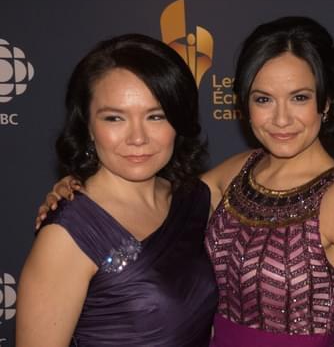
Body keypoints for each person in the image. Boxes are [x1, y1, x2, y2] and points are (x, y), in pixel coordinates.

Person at [36, 17, 334, 347]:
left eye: (300, 97)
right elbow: (158, 202)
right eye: (263, 99)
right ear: (243, 104)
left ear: (326, 102)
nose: (281, 119)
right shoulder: (241, 169)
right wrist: (81, 186)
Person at [17, 34, 217, 346]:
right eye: (114, 118)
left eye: (156, 116)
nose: (138, 137)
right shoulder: (67, 235)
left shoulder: (193, 198)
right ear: (88, 126)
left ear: (177, 122)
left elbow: (270, 163)